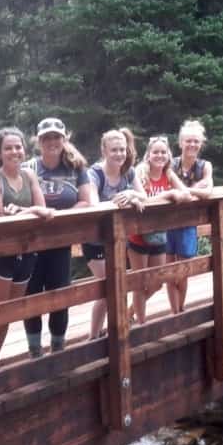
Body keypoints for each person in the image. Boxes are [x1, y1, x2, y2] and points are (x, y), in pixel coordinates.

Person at [0, 127, 53, 373]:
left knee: (8, 315)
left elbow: (45, 211)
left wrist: (22, 211)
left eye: (18, 147)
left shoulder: (30, 176)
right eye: (8, 148)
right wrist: (30, 212)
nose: (14, 152)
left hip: (26, 253)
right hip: (0, 256)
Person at [22, 117, 94, 357]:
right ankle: (34, 351)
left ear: (65, 139)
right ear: (38, 141)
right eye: (46, 138)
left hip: (61, 242)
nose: (52, 142)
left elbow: (87, 201)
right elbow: (17, 200)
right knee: (31, 296)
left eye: (56, 137)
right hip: (30, 243)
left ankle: (58, 348)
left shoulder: (76, 168)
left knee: (60, 295)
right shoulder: (29, 168)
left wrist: (61, 218)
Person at [83, 128, 146, 339]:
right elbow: (92, 203)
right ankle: (93, 336)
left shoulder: (128, 171)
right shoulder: (94, 173)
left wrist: (130, 194)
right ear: (104, 150)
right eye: (114, 150)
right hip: (95, 239)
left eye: (122, 149)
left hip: (118, 238)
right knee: (106, 288)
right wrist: (120, 201)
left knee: (116, 286)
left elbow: (143, 195)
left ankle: (112, 332)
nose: (119, 154)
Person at [128, 135, 192, 325]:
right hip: (138, 235)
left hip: (159, 235)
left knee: (157, 283)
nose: (160, 155)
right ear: (148, 155)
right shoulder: (141, 171)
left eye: (163, 152)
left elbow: (186, 194)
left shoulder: (168, 174)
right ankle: (141, 323)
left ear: (168, 155)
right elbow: (143, 200)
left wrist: (176, 194)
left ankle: (129, 312)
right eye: (155, 152)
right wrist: (169, 194)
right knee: (140, 284)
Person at [166, 119, 215, 314]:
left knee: (183, 272)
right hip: (166, 222)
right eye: (188, 141)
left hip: (188, 223)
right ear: (180, 142)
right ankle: (174, 313)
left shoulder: (204, 166)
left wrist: (185, 191)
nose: (192, 145)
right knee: (170, 271)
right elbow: (189, 191)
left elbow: (209, 191)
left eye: (196, 141)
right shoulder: (170, 164)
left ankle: (181, 308)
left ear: (201, 144)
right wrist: (194, 189)